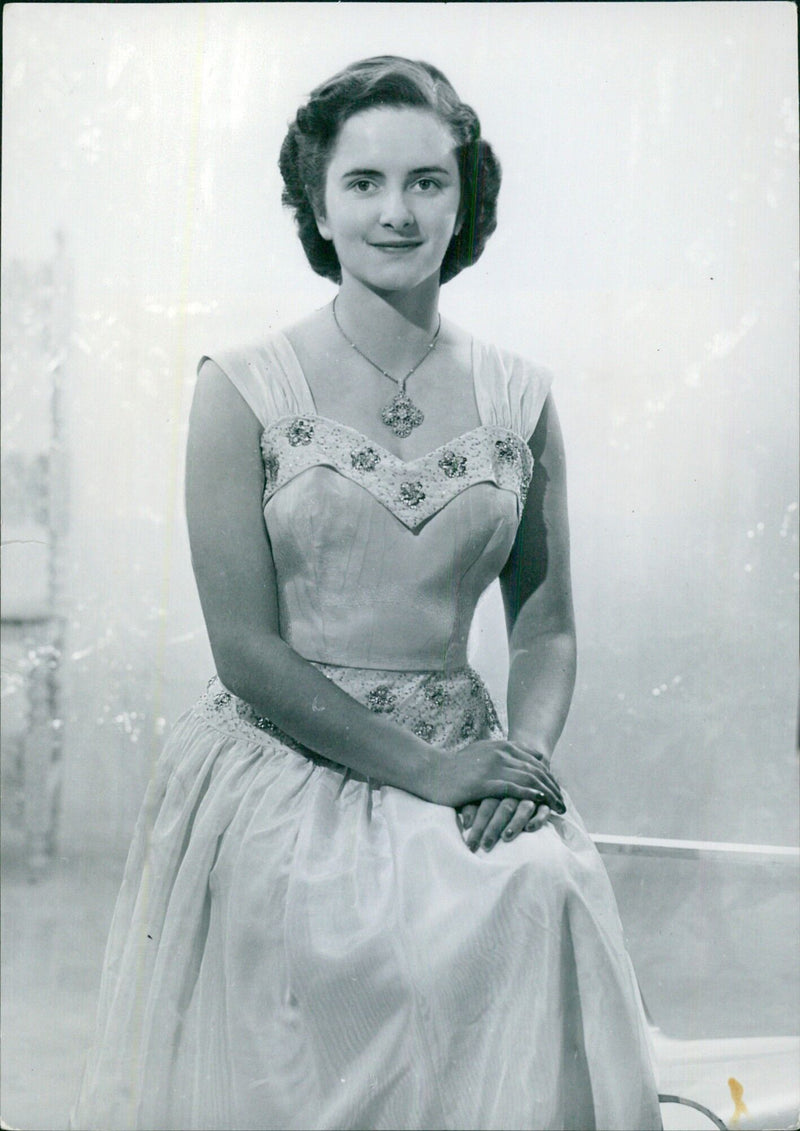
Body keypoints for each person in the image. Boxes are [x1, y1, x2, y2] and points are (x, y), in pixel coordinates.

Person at [72, 56, 662, 1131]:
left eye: (427, 182)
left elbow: (545, 624)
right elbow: (245, 651)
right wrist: (432, 777)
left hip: (467, 762)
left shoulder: (517, 396)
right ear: (317, 202)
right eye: (363, 184)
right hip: (283, 770)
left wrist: (517, 769)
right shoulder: (241, 387)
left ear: (464, 198)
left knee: (536, 892)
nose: (396, 213)